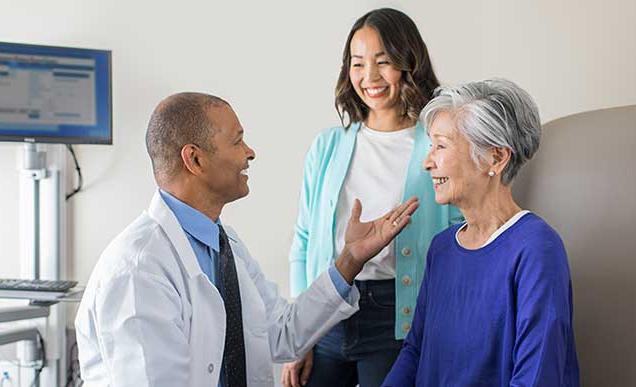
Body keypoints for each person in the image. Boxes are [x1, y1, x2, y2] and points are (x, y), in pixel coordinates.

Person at [74, 92, 419, 387]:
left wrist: (350, 259)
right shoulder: (139, 270)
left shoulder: (224, 246)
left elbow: (283, 333)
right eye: (237, 141)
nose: (250, 153)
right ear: (195, 159)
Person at [282, 9, 462, 387]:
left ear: (409, 63)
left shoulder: (437, 145)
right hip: (327, 310)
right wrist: (300, 334)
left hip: (398, 315)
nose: (370, 77)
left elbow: (458, 239)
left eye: (384, 62)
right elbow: (302, 241)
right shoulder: (327, 147)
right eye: (358, 63)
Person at [382, 79, 580, 386]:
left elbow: (537, 377)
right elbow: (415, 352)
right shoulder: (442, 248)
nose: (427, 162)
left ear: (496, 158)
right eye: (430, 145)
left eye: (441, 146)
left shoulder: (537, 249)